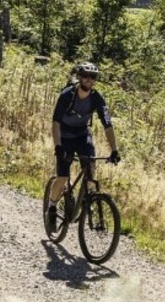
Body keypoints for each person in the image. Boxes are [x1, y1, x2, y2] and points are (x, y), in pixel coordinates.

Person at [47, 61, 120, 231]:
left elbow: (108, 125)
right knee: (63, 177)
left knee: (91, 169)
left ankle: (86, 201)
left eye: (92, 77)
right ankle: (51, 208)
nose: (89, 80)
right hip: (64, 136)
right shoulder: (67, 95)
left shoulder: (97, 99)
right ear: (80, 77)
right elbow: (55, 122)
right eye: (85, 76)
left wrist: (114, 150)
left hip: (81, 135)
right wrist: (58, 146)